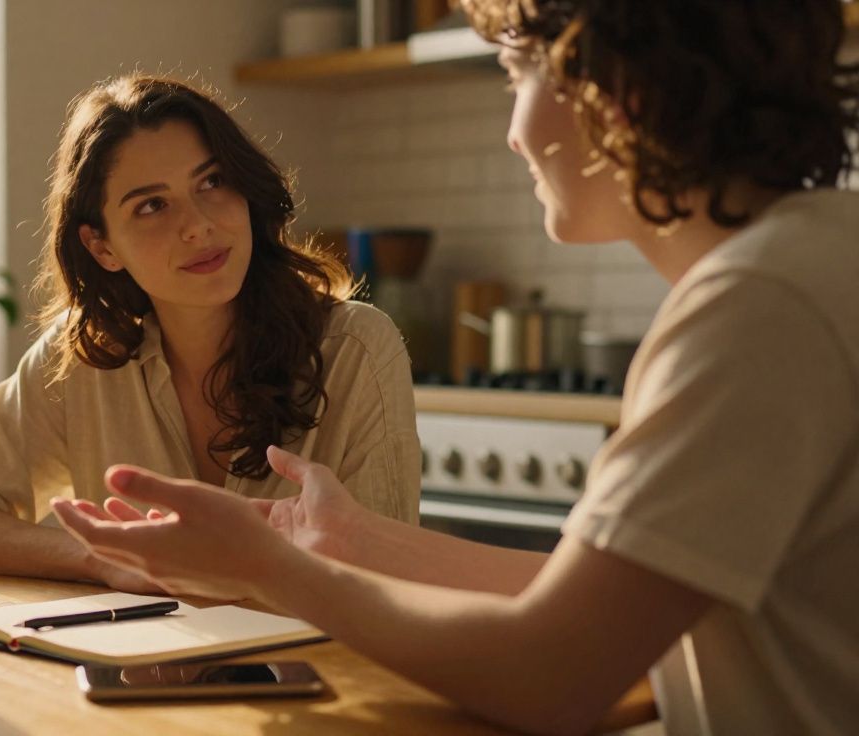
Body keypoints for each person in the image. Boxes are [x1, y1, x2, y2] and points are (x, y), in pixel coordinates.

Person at [50, 2, 859, 733]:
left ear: (618, 92)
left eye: (517, 76)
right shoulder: (812, 258)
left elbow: (552, 675)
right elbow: (590, 602)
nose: (513, 132)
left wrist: (271, 570)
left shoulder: (758, 305)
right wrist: (355, 541)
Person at [0, 75, 422, 593]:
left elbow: (396, 578)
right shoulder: (84, 356)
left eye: (213, 182)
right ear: (102, 247)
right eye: (152, 205)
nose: (197, 225)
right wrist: (105, 558)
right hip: (147, 670)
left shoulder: (356, 348)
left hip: (327, 670)